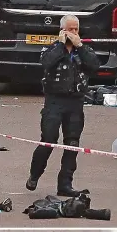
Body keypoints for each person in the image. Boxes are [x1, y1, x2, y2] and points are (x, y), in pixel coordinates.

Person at [26, 15, 100, 197]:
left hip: (75, 102)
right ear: (62, 30)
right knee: (49, 139)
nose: (74, 33)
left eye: (76, 29)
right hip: (54, 101)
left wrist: (80, 46)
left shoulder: (83, 50)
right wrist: (60, 45)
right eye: (70, 29)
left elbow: (95, 65)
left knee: (72, 143)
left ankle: (65, 184)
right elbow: (46, 62)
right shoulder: (52, 48)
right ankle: (34, 174)